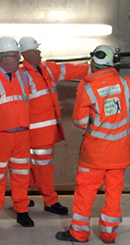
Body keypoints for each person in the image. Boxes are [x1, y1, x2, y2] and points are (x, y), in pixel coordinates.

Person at [56, 46, 130, 244]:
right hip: (119, 154)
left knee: (85, 193)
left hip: (94, 155)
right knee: (114, 194)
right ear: (111, 64)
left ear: (93, 63)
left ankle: (79, 233)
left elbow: (79, 121)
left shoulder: (88, 89)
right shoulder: (125, 84)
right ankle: (109, 233)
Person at [18, 36, 88, 216]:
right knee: (43, 168)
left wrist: (93, 68)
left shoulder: (46, 69)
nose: (39, 52)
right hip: (36, 134)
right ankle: (50, 201)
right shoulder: (22, 76)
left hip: (44, 132)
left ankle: (21, 198)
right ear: (26, 53)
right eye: (36, 50)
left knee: (32, 168)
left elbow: (70, 70)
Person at [0, 36, 34, 229]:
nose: (19, 59)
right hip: (0, 135)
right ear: (4, 58)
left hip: (22, 134)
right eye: (15, 55)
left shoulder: (22, 76)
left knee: (22, 175)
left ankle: (22, 210)